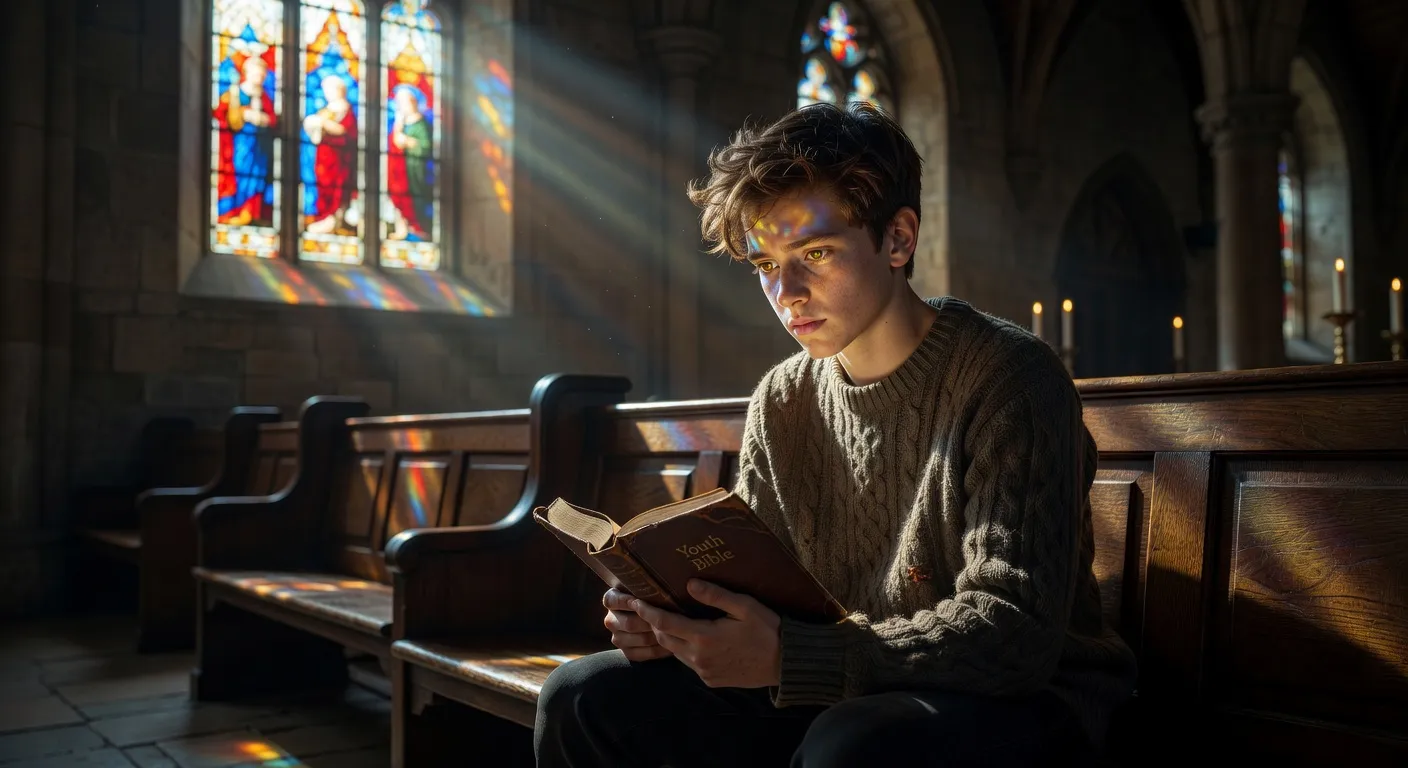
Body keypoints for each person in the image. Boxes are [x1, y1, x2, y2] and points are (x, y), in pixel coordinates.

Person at [534, 102, 1138, 767]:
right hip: (837, 683)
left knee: (851, 746)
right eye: (766, 263)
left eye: (814, 253)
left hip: (1025, 701)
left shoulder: (1012, 376)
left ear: (898, 239)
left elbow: (1012, 632)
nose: (786, 292)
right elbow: (761, 593)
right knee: (582, 697)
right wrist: (673, 625)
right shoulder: (783, 397)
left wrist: (792, 656)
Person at [213, 55, 276, 227]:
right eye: (257, 73)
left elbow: (273, 120)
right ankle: (237, 210)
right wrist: (243, 114)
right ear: (247, 73)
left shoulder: (265, 97)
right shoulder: (235, 93)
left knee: (258, 176)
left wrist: (264, 119)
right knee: (240, 173)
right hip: (240, 143)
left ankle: (251, 211)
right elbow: (221, 114)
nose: (260, 77)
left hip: (261, 146)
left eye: (262, 74)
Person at [302, 74, 358, 235]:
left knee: (337, 187)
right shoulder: (325, 111)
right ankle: (324, 217)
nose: (327, 93)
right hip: (323, 156)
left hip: (340, 158)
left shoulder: (346, 110)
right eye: (326, 90)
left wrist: (323, 123)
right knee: (323, 185)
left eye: (330, 89)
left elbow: (346, 132)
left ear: (340, 90)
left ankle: (334, 218)